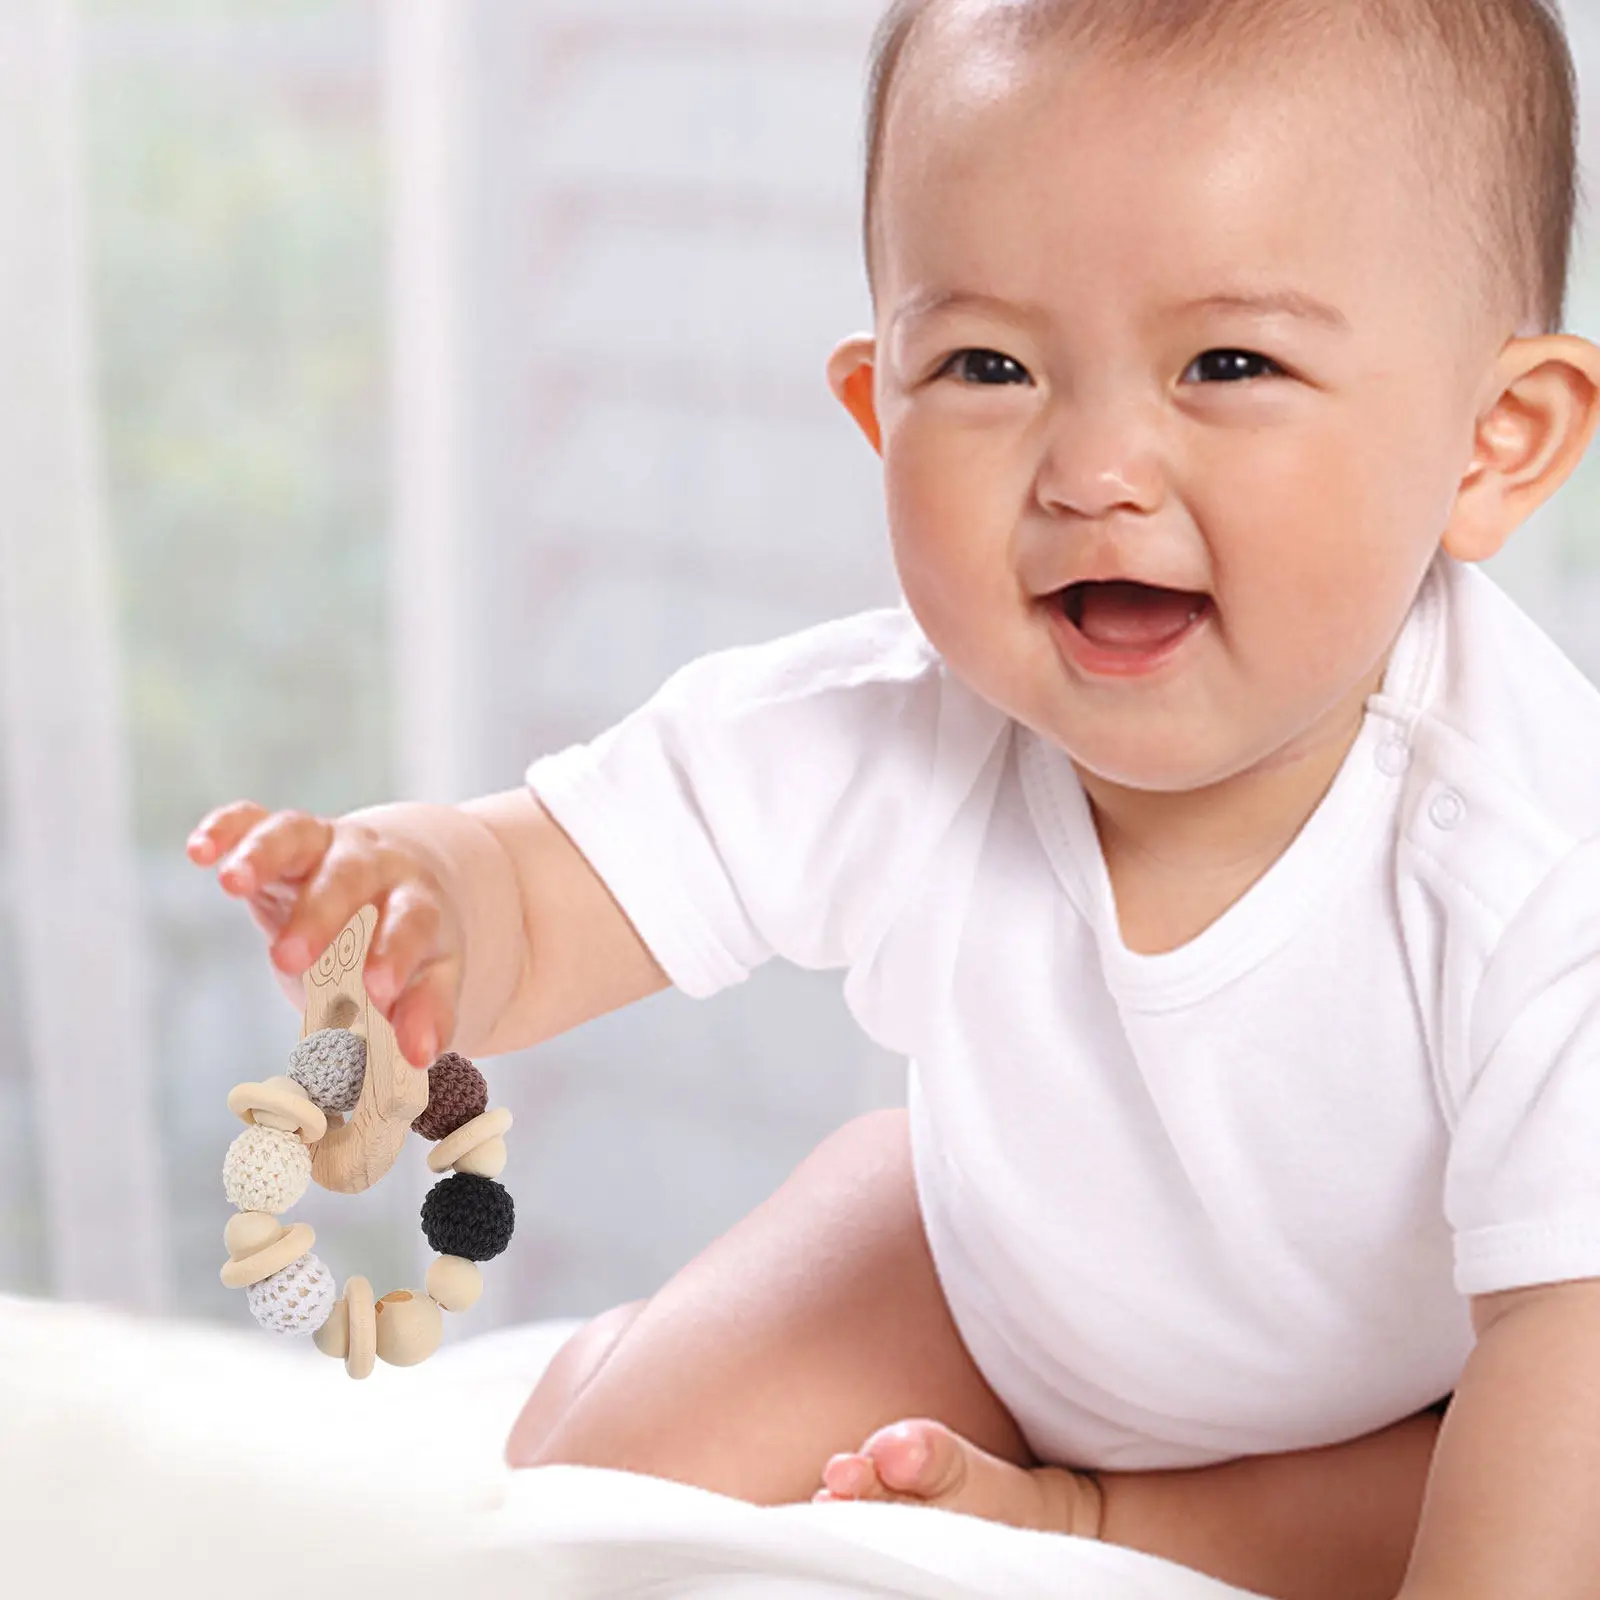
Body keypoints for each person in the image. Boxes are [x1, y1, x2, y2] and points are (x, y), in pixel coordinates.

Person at [189, 1, 1600, 1595]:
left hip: (1399, 1398)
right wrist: (428, 906)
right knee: (586, 1508)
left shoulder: (1539, 870)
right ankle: (682, 1393)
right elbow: (559, 881)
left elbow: (1567, 1328)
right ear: (881, 412)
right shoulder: (891, 731)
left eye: (1228, 363)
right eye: (990, 364)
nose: (1094, 467)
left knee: (1550, 1472)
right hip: (992, 1282)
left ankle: (1109, 1525)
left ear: (1495, 441)